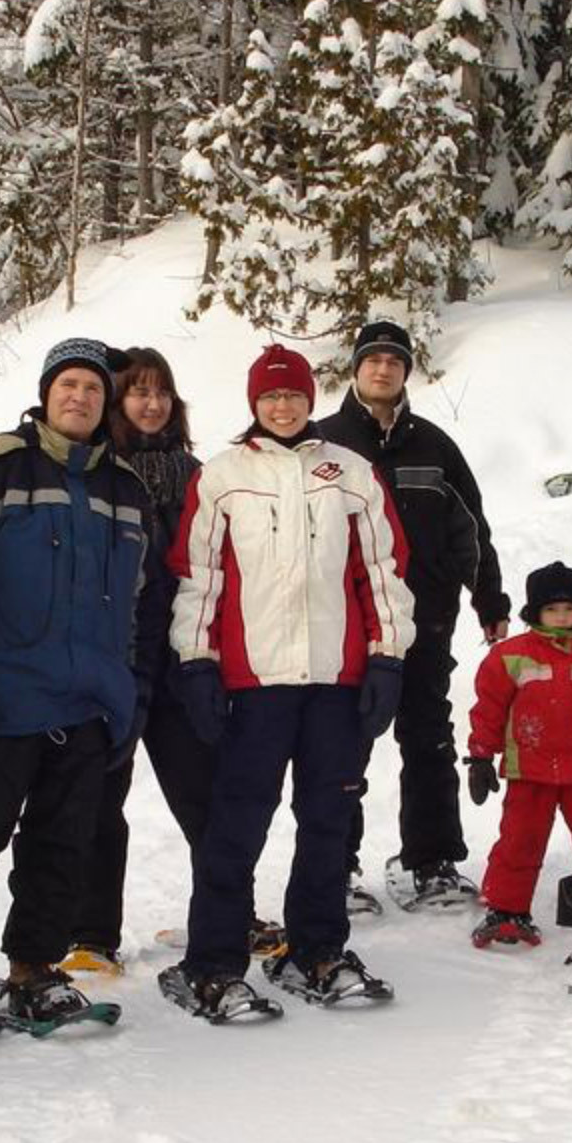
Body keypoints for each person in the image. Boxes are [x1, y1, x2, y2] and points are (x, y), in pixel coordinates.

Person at [0, 338, 166, 1032]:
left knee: (61, 842)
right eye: (68, 384)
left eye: (94, 389)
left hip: (89, 706)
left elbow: (144, 602)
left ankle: (34, 966)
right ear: (46, 393)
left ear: (107, 406)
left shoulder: (126, 491)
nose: (80, 397)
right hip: (8, 697)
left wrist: (129, 691)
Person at [161, 344, 414, 1020]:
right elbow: (199, 578)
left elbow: (382, 571)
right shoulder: (223, 477)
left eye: (294, 395)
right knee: (236, 825)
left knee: (329, 821)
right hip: (254, 684)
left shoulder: (349, 473)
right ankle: (212, 962)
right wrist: (196, 662)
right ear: (254, 403)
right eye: (270, 396)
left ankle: (317, 949)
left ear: (310, 399)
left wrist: (387, 658)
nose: (282, 406)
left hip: (335, 680)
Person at [317, 320, 510, 910]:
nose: (382, 369)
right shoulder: (322, 443)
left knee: (427, 736)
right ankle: (334, 866)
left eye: (394, 361)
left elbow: (469, 528)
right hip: (347, 622)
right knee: (343, 744)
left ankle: (430, 860)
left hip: (425, 616)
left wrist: (489, 599)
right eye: (372, 359)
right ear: (355, 369)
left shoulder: (434, 445)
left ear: (407, 373)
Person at [64, 347, 239, 976]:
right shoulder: (96, 473)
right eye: (137, 390)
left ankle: (229, 915)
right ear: (117, 401)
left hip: (181, 659)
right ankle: (90, 934)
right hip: (112, 662)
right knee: (101, 796)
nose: (151, 402)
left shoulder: (199, 475)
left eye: (161, 391)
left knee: (203, 795)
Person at [465, 562, 572, 949]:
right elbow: (489, 708)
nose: (562, 617)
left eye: (570, 609)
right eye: (552, 610)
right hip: (531, 770)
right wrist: (480, 756)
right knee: (519, 840)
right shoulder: (510, 657)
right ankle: (507, 909)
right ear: (535, 612)